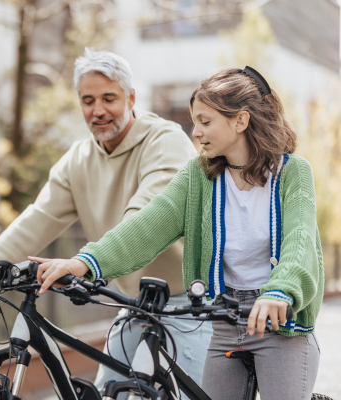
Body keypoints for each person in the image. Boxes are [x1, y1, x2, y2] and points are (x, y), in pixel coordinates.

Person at [34, 66, 323, 400]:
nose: (195, 132)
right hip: (225, 319)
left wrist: (280, 292)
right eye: (194, 121)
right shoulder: (198, 177)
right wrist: (85, 262)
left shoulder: (292, 173)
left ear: (240, 121)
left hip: (280, 322)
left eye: (205, 121)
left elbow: (299, 241)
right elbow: (147, 226)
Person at [0, 48, 212, 393]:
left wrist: (86, 262)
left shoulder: (165, 141)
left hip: (187, 303)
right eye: (88, 100)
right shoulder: (78, 160)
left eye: (109, 98)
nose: (98, 110)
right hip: (133, 304)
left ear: (131, 98)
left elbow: (144, 218)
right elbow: (35, 221)